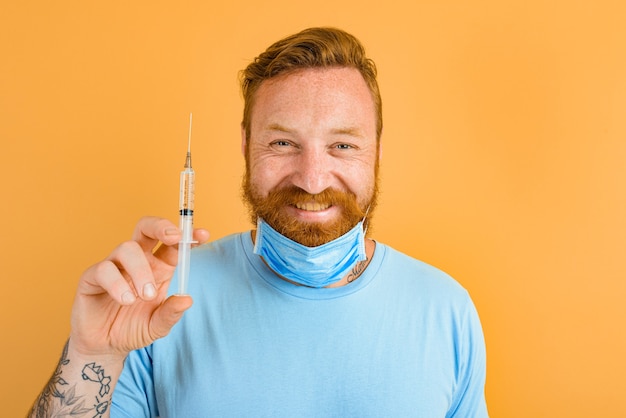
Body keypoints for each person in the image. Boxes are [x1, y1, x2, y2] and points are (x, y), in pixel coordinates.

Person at [29, 27, 488, 417]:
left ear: (378, 151)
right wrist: (93, 355)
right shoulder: (158, 300)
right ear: (246, 147)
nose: (311, 179)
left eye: (343, 146)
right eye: (284, 143)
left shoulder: (446, 312)